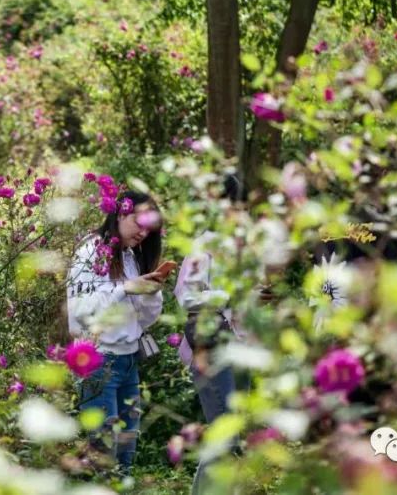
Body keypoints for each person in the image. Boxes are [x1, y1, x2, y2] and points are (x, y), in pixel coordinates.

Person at [66, 189, 166, 478]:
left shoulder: (131, 258)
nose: (144, 233)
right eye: (139, 222)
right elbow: (80, 313)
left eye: (150, 228)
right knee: (103, 455)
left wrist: (150, 293)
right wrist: (124, 289)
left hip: (128, 363)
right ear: (121, 212)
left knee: (125, 454)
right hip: (98, 362)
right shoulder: (91, 251)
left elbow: (144, 320)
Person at [173, 173, 258, 494]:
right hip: (212, 347)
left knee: (230, 435)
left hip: (239, 346)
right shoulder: (204, 245)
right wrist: (228, 295)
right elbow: (187, 296)